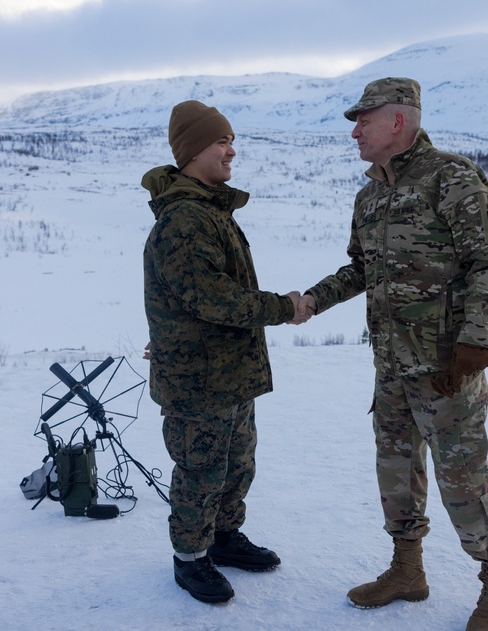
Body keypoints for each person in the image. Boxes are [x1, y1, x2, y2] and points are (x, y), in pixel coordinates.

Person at [297, 78, 488, 631]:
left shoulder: (452, 177)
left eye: (363, 120)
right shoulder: (370, 195)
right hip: (391, 364)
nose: (355, 131)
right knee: (396, 470)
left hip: (448, 367)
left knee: (462, 477)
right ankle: (407, 570)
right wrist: (311, 301)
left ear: (397, 121)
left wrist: (473, 343)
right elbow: (360, 268)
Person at [142, 100, 305, 604]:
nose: (232, 150)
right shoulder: (185, 219)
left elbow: (189, 297)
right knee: (201, 471)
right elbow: (211, 297)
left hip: (228, 372)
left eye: (231, 140)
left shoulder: (210, 210)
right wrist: (285, 307)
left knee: (237, 464)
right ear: (193, 151)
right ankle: (190, 558)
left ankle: (224, 537)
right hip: (199, 381)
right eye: (221, 141)